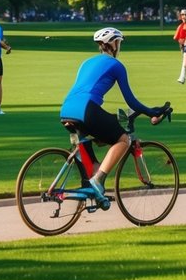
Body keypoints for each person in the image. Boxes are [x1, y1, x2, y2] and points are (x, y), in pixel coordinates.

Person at [58, 27, 170, 208]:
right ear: (113, 43)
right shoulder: (116, 65)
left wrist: (122, 116)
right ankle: (98, 180)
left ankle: (93, 189)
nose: (119, 47)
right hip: (87, 109)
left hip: (67, 109)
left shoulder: (85, 63)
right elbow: (131, 101)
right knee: (123, 140)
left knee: (94, 149)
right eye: (119, 43)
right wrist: (152, 111)